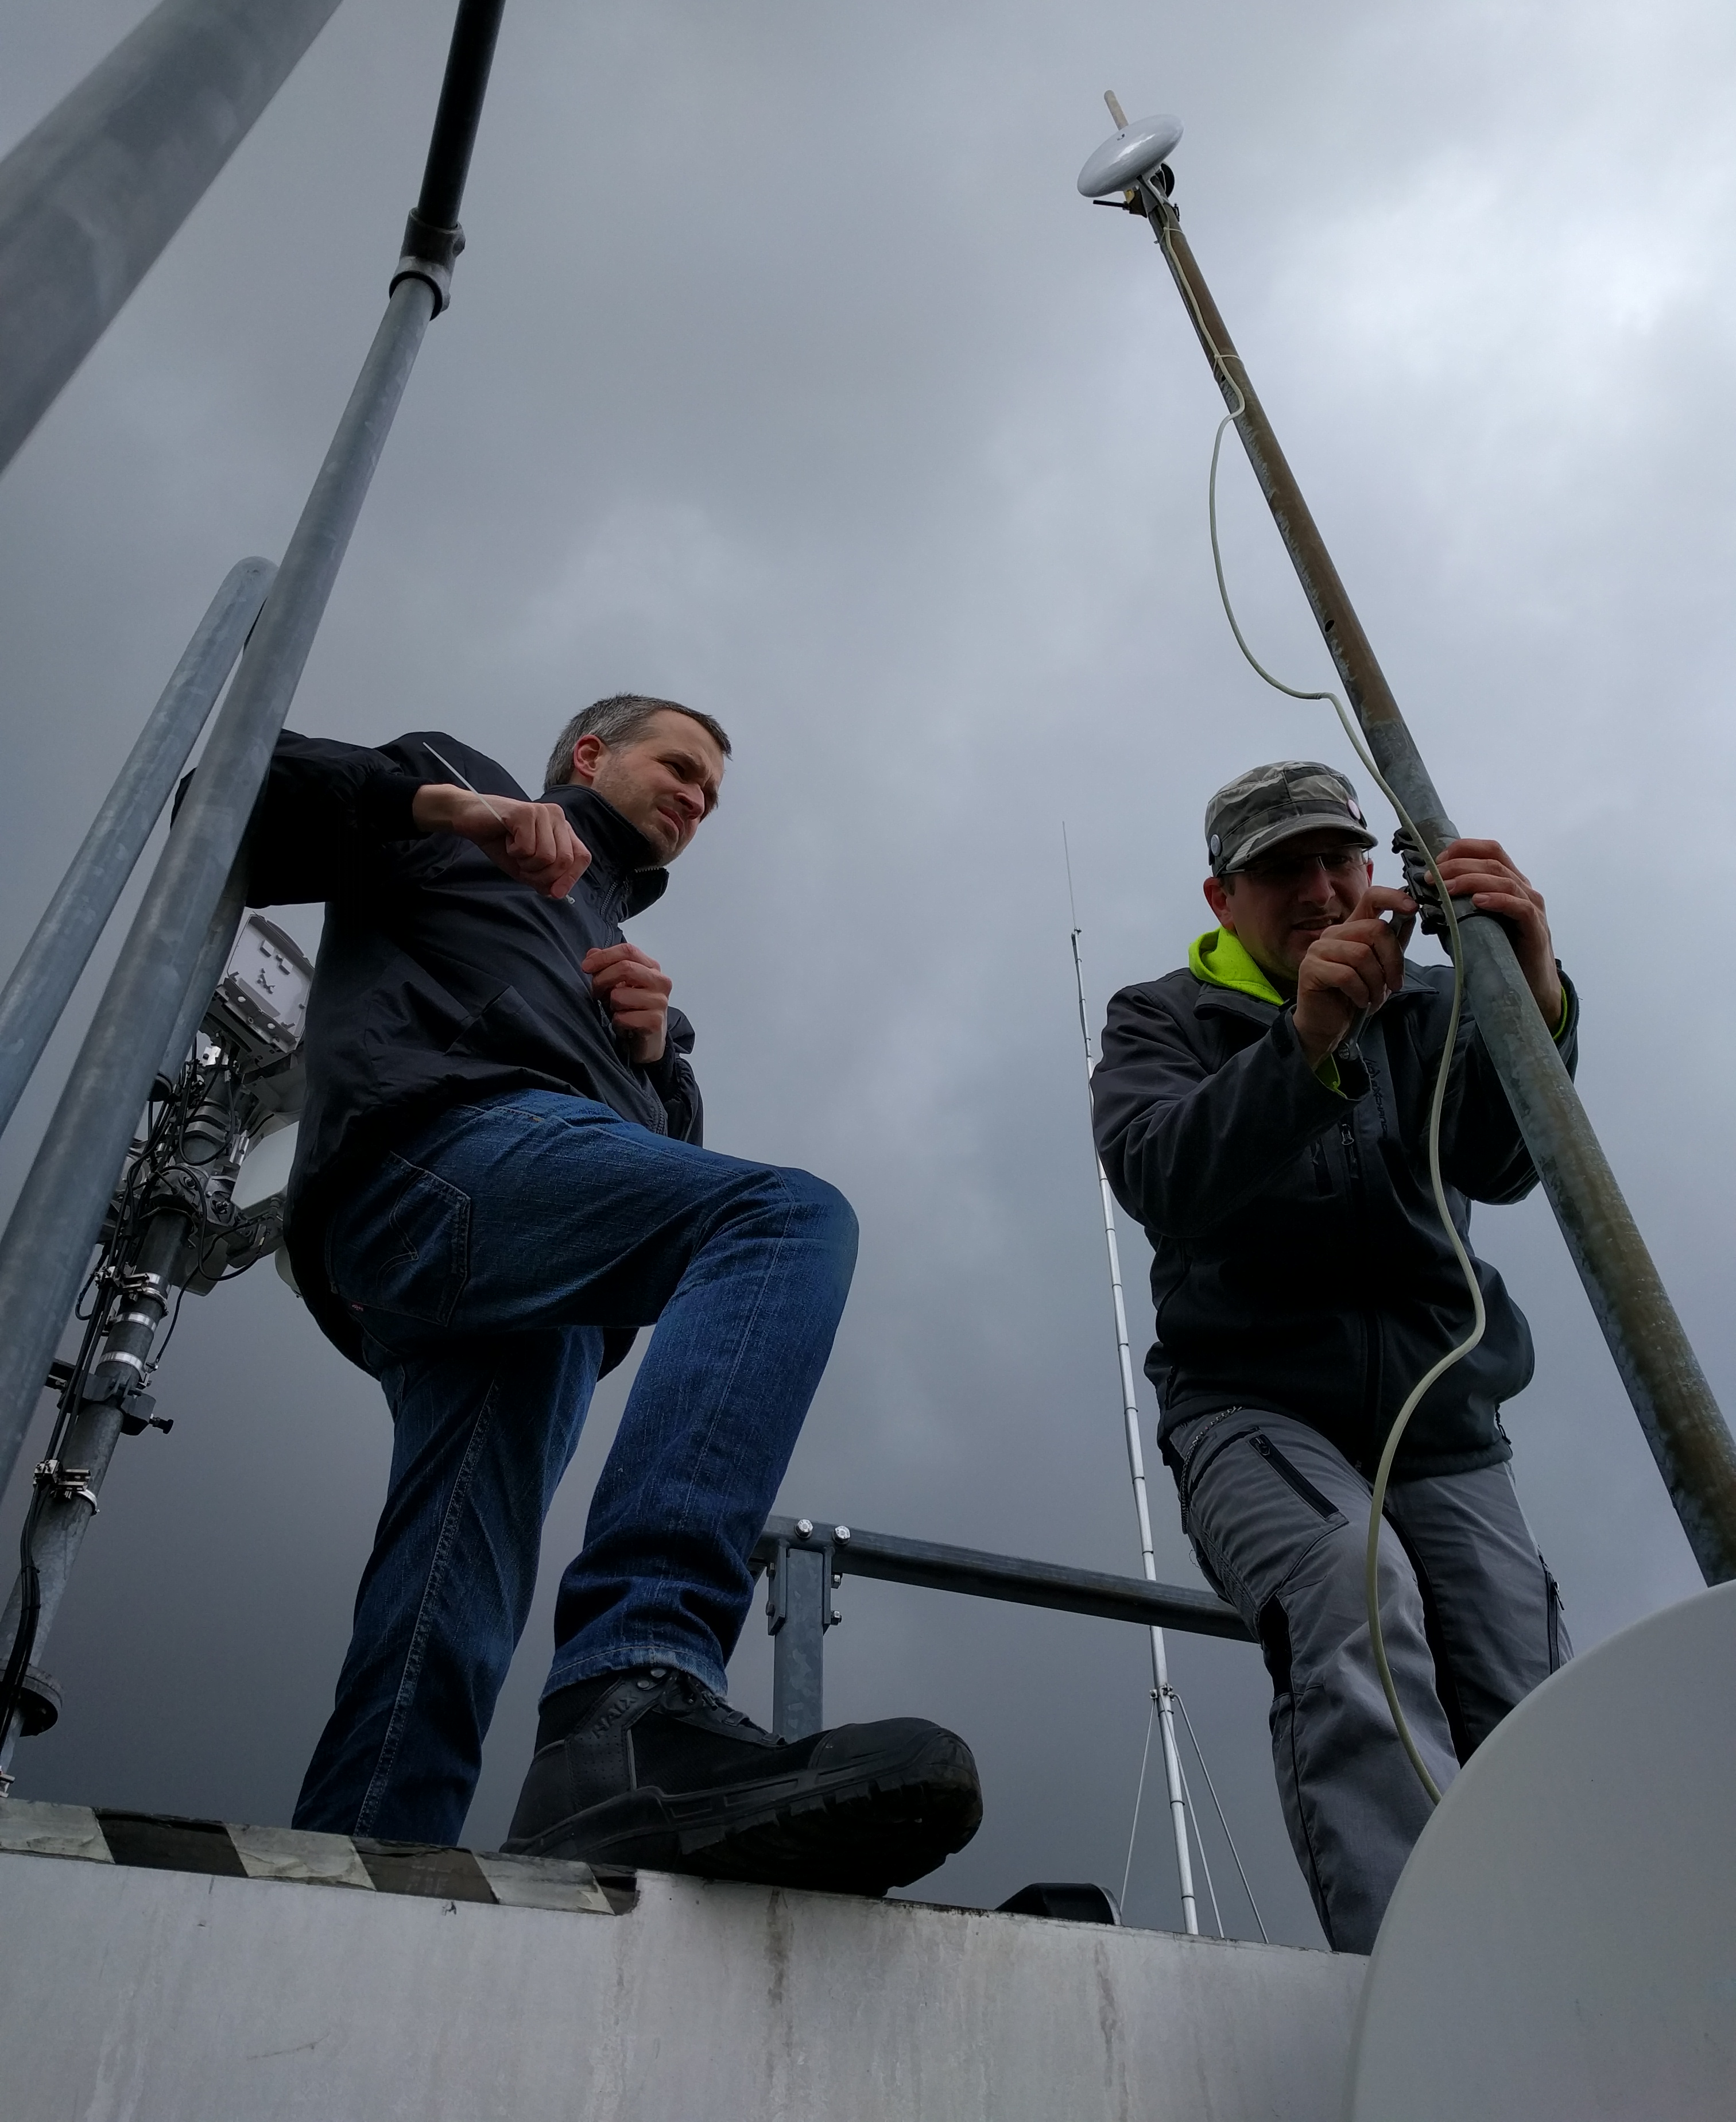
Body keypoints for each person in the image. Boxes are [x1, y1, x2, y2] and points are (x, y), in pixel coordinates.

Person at [246, 694, 981, 1893]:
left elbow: (660, 1165)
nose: (697, 798)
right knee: (784, 1218)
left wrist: (655, 1062)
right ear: (592, 755)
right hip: (435, 1159)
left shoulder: (639, 992)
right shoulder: (456, 791)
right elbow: (238, 796)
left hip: (540, 1296)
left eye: (713, 795)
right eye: (680, 766)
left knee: (452, 1591)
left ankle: (364, 1867)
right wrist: (453, 807)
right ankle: (635, 1684)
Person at [1091, 760, 1575, 1953]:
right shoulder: (1160, 1018)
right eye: (1279, 869)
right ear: (1223, 898)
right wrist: (1303, 1038)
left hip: (1448, 1425)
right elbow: (1161, 1175)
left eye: (1338, 861)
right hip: (1249, 1412)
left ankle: (1570, 1974)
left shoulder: (1429, 1003)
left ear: (1371, 870)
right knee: (1351, 1585)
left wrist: (1536, 987)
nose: (1318, 889)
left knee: (1531, 1699)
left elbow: (1509, 1161)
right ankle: (1422, 1971)